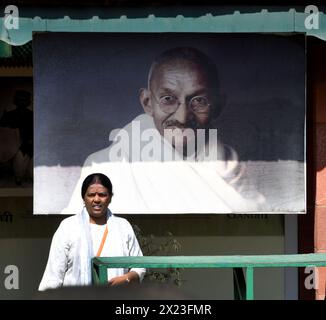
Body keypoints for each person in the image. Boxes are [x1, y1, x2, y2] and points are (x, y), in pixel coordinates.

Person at [62, 47, 265, 215]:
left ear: (218, 105)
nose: (183, 117)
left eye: (199, 101)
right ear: (147, 102)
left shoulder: (232, 168)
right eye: (168, 99)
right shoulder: (105, 167)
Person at [39, 173, 145, 291]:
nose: (96, 199)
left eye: (102, 195)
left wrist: (126, 278)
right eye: (91, 195)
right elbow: (53, 276)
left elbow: (139, 266)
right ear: (83, 198)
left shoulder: (123, 227)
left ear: (110, 197)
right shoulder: (68, 227)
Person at [0, 89, 33, 186]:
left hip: (31, 147)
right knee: (19, 159)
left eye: (24, 99)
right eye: (19, 99)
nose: (22, 102)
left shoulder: (33, 115)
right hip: (13, 147)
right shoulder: (8, 115)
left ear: (28, 101)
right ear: (15, 101)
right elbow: (3, 133)